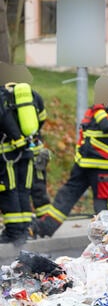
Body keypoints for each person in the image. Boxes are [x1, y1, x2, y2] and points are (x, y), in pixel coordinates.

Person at [35, 76, 108, 238]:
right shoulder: (92, 111)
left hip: (102, 168)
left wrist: (98, 109)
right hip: (82, 166)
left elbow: (107, 126)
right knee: (65, 196)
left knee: (101, 204)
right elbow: (84, 136)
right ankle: (44, 228)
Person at [0, 62, 45, 245]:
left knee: (8, 190)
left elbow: (2, 119)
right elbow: (41, 118)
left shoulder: (2, 96)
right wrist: (26, 137)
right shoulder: (32, 95)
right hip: (27, 151)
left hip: (6, 155)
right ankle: (25, 228)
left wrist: (14, 137)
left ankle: (13, 232)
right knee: (23, 190)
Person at [6, 64, 55, 229]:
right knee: (38, 187)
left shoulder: (7, 97)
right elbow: (42, 118)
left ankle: (34, 224)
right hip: (35, 148)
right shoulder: (34, 96)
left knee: (23, 188)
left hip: (17, 150)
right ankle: (44, 222)